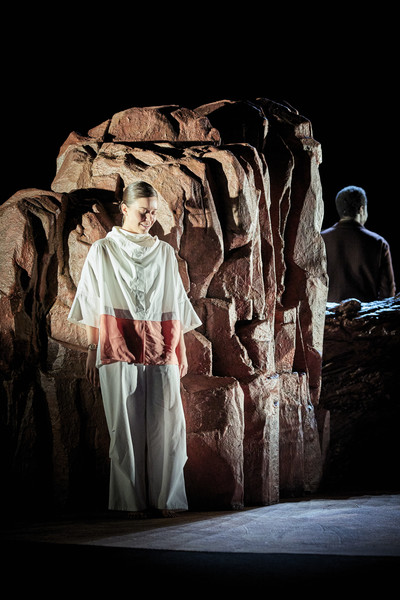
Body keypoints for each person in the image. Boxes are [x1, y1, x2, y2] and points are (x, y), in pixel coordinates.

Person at [67, 181, 202, 518]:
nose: (149, 219)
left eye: (153, 213)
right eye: (143, 212)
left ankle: (167, 499)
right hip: (117, 345)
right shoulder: (103, 251)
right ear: (124, 209)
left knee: (169, 424)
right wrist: (92, 348)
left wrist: (182, 350)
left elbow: (175, 303)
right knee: (122, 428)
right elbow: (91, 301)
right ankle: (129, 502)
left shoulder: (164, 253)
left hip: (162, 344)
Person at [321, 186, 396, 302]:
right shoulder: (379, 243)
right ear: (361, 209)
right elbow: (388, 294)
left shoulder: (321, 240)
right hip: (366, 313)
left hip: (327, 313)